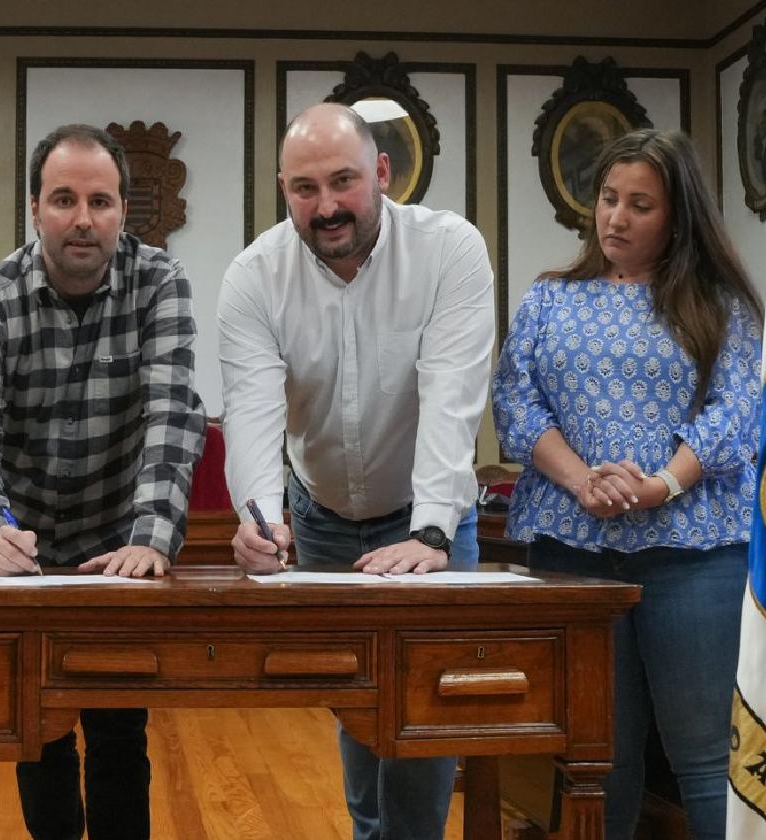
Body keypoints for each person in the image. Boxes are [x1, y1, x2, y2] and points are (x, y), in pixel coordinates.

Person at [217, 102, 494, 840]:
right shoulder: (253, 277)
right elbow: (250, 411)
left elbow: (451, 398)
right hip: (322, 515)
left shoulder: (450, 251)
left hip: (424, 512)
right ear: (284, 190)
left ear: (382, 173)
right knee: (360, 703)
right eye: (305, 189)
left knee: (421, 715)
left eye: (344, 181)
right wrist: (258, 523)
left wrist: (433, 531)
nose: (327, 206)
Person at [0, 123, 206, 840]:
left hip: (118, 550)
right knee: (41, 736)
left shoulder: (159, 283)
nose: (83, 219)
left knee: (120, 736)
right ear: (34, 209)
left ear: (123, 211)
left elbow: (173, 414)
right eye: (63, 199)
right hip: (25, 552)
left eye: (100, 201)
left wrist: (151, 538)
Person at [493, 128, 762, 840]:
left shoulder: (720, 305)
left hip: (693, 554)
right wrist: (584, 481)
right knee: (595, 762)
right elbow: (517, 403)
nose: (615, 217)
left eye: (640, 205)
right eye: (609, 199)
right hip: (574, 555)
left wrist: (660, 486)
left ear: (677, 217)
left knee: (704, 759)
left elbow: (736, 413)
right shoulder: (551, 301)